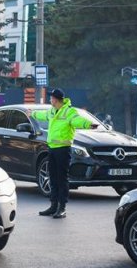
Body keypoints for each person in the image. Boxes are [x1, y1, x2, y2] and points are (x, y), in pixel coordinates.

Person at [31, 88, 97, 218]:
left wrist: (88, 124)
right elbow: (41, 115)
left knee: (62, 179)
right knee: (53, 178)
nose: (50, 100)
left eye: (51, 98)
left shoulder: (69, 111)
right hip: (52, 148)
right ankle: (53, 205)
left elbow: (77, 120)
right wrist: (32, 113)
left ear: (56, 99)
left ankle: (62, 208)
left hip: (63, 149)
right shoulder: (51, 111)